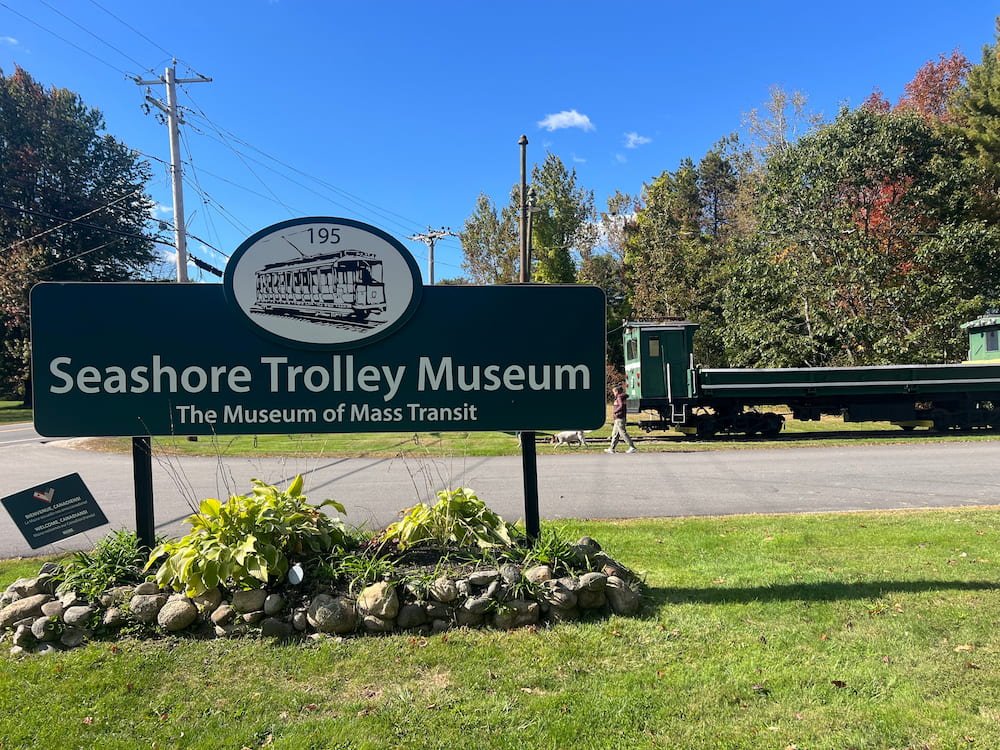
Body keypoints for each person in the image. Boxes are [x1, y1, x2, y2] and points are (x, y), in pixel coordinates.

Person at [605, 384, 637, 454]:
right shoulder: (621, 397)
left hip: (619, 418)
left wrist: (615, 411)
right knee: (615, 434)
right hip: (619, 418)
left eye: (614, 391)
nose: (613, 393)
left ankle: (632, 447)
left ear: (617, 391)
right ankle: (611, 448)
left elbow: (621, 405)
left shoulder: (619, 397)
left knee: (622, 433)